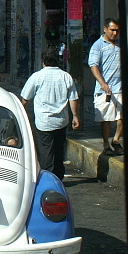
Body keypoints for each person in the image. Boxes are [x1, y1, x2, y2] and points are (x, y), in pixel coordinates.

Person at [20, 50, 80, 178]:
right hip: (61, 121)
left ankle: (48, 179)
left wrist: (21, 111)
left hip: (44, 122)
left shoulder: (37, 76)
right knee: (59, 151)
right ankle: (58, 178)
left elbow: (25, 98)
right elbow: (73, 98)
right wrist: (75, 116)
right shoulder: (66, 76)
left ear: (44, 62)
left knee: (46, 152)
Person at [89, 17, 123, 154]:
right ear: (105, 29)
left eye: (117, 31)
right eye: (112, 30)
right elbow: (93, 65)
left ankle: (116, 140)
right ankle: (106, 144)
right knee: (106, 119)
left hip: (120, 87)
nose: (115, 33)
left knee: (122, 116)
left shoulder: (120, 45)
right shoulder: (98, 45)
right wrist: (102, 83)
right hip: (105, 90)